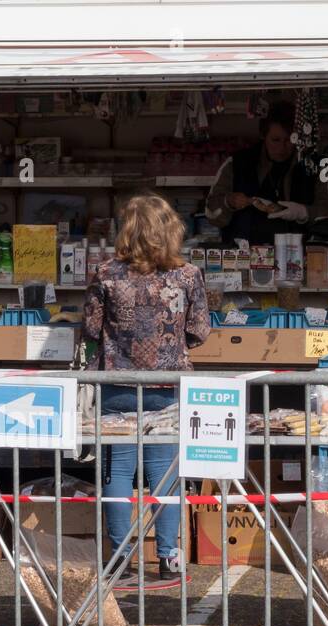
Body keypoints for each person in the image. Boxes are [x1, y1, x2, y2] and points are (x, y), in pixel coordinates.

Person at [84, 194, 211, 586]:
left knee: (117, 470)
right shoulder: (187, 276)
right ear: (171, 230)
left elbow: (90, 329)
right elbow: (199, 331)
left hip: (116, 384)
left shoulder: (105, 274)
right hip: (167, 385)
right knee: (165, 471)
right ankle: (169, 557)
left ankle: (121, 558)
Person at [206, 101, 317, 249]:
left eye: (290, 140)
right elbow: (211, 212)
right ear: (263, 136)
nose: (282, 147)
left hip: (298, 256)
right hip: (243, 257)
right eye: (275, 140)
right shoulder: (236, 163)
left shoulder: (317, 165)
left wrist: (304, 213)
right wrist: (228, 202)